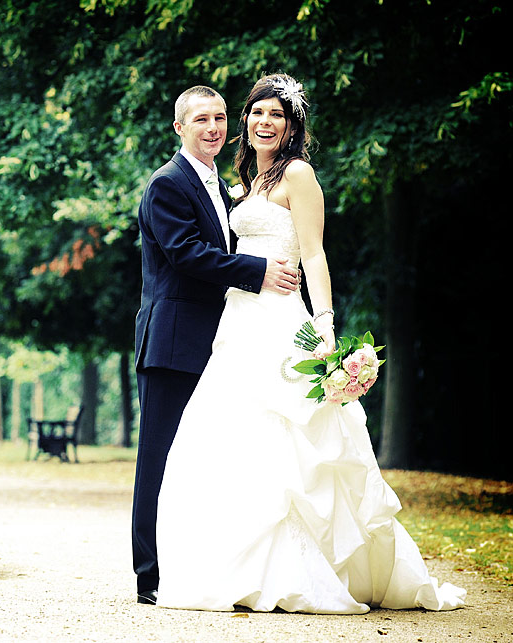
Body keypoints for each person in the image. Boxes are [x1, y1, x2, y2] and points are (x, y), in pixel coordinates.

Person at [153, 73, 466, 613]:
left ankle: (308, 570)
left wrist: (323, 322)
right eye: (256, 113)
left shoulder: (298, 175)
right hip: (236, 323)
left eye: (276, 115)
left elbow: (315, 253)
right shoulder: (246, 178)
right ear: (245, 121)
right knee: (227, 438)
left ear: (292, 125)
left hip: (281, 321)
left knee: (296, 438)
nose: (263, 122)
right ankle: (233, 566)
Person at [132, 85, 302, 605]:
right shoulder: (168, 183)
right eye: (201, 118)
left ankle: (193, 565)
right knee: (158, 459)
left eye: (220, 117)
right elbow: (186, 254)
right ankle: (150, 576)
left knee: (199, 459)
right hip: (173, 340)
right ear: (179, 127)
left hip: (220, 339)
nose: (214, 127)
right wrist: (258, 271)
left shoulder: (223, 184)